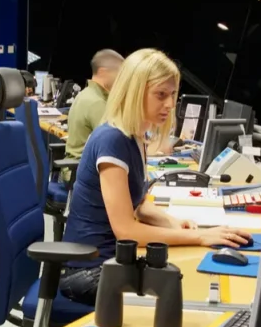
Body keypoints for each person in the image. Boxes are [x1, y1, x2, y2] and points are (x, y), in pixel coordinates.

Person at [59, 48, 251, 305]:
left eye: (172, 95)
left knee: (190, 274)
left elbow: (139, 205)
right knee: (189, 291)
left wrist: (173, 222)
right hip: (91, 271)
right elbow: (126, 230)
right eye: (161, 95)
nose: (170, 104)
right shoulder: (112, 140)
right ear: (135, 91)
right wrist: (200, 236)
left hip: (117, 259)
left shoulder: (135, 135)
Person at [65, 49, 123, 159]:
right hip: (85, 169)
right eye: (119, 73)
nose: (121, 79)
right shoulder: (96, 102)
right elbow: (113, 143)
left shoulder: (85, 94)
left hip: (76, 167)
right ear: (102, 72)